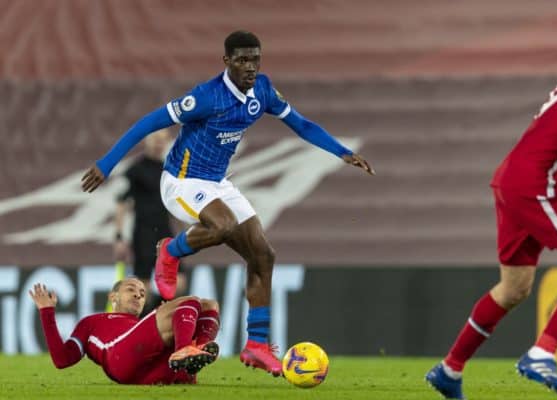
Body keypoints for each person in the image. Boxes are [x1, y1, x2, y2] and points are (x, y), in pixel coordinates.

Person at [80, 30, 375, 376]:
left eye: (255, 59)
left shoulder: (262, 90)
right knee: (223, 225)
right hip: (181, 182)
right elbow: (149, 122)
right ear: (226, 62)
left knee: (263, 255)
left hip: (217, 183)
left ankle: (256, 345)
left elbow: (301, 124)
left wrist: (341, 152)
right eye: (242, 60)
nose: (250, 67)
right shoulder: (206, 97)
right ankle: (171, 251)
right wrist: (106, 163)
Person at [426, 60, 557, 399]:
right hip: (534, 187)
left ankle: (450, 369)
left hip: (511, 179)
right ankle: (542, 353)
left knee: (513, 289)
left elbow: (547, 137)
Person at [30, 277, 221, 385]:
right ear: (113, 296)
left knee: (209, 304)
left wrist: (172, 318)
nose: (138, 294)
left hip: (150, 373)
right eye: (131, 289)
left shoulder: (140, 325)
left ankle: (193, 357)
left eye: (143, 293)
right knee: (190, 301)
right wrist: (46, 312)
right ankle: (185, 350)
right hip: (119, 357)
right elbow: (62, 359)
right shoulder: (92, 322)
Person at [114, 128, 187, 312]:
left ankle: (161, 316)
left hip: (165, 231)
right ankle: (147, 326)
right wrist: (119, 237)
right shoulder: (134, 171)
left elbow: (174, 206)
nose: (159, 143)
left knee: (180, 283)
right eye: (155, 139)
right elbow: (121, 204)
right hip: (143, 233)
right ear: (146, 141)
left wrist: (184, 231)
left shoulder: (169, 171)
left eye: (162, 140)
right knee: (142, 288)